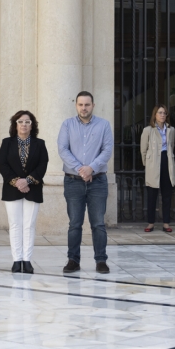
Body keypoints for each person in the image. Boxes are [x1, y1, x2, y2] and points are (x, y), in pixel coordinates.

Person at [57, 91, 114, 274]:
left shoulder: (104, 125)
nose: (84, 108)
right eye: (81, 104)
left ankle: (101, 261)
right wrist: (82, 169)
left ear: (93, 106)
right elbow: (63, 149)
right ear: (76, 106)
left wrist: (92, 168)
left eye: (87, 104)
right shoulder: (67, 125)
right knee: (75, 223)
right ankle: (73, 260)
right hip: (73, 182)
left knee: (98, 223)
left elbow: (107, 150)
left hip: (97, 181)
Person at [0, 110, 48, 273]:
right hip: (12, 190)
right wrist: (17, 182)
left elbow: (42, 165)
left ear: (32, 125)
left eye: (27, 122)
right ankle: (16, 259)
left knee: (29, 225)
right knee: (15, 225)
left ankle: (27, 260)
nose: (24, 125)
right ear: (15, 124)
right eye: (21, 122)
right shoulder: (7, 143)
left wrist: (27, 181)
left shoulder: (39, 144)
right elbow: (3, 166)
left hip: (32, 189)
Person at [141, 106, 175, 234]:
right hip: (153, 163)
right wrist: (147, 164)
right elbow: (143, 149)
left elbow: (171, 146)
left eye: (164, 113)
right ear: (155, 114)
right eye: (160, 113)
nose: (162, 115)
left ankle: (166, 223)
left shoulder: (171, 130)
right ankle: (151, 223)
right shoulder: (148, 130)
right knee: (152, 194)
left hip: (167, 161)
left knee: (167, 194)